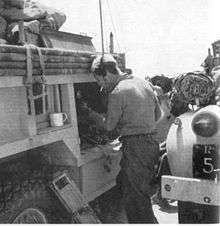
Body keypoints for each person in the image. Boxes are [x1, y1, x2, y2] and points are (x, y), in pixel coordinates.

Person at [88, 54, 161, 223]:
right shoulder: (144, 83)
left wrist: (90, 114)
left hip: (136, 147)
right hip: (150, 143)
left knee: (136, 200)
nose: (101, 86)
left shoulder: (117, 92)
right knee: (124, 184)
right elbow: (158, 114)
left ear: (105, 73)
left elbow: (108, 126)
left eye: (99, 80)